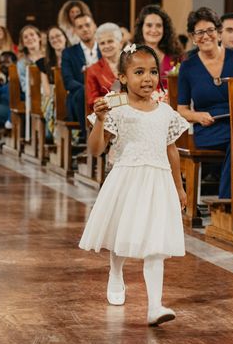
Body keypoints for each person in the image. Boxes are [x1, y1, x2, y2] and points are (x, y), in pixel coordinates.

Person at [79, 44, 189, 326]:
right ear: (124, 77)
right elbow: (95, 150)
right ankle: (116, 273)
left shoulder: (165, 112)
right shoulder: (116, 108)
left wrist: (179, 187)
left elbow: (171, 149)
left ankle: (155, 305)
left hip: (158, 181)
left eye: (153, 71)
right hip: (127, 179)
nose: (148, 78)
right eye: (139, 72)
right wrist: (99, 121)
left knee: (156, 243)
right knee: (122, 233)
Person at [177, 7, 233, 200]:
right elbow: (181, 110)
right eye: (199, 32)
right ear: (192, 36)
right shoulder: (188, 67)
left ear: (218, 32)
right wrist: (197, 116)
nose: (206, 36)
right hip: (209, 128)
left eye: (210, 30)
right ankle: (228, 202)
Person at [61, 13, 99, 137]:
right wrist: (89, 90)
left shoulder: (105, 49)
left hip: (105, 93)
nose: (84, 29)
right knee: (83, 93)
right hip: (80, 97)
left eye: (87, 25)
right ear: (75, 31)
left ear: (94, 26)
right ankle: (88, 138)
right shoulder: (68, 53)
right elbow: (68, 81)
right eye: (80, 27)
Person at [133, 5, 182, 84]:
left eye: (158, 25)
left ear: (164, 29)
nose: (154, 30)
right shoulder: (131, 56)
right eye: (149, 25)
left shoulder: (176, 57)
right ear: (141, 28)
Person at [85, 23, 123, 108]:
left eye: (110, 41)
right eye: (102, 43)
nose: (106, 46)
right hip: (106, 113)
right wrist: (121, 100)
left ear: (120, 43)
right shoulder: (93, 70)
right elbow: (92, 100)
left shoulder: (132, 65)